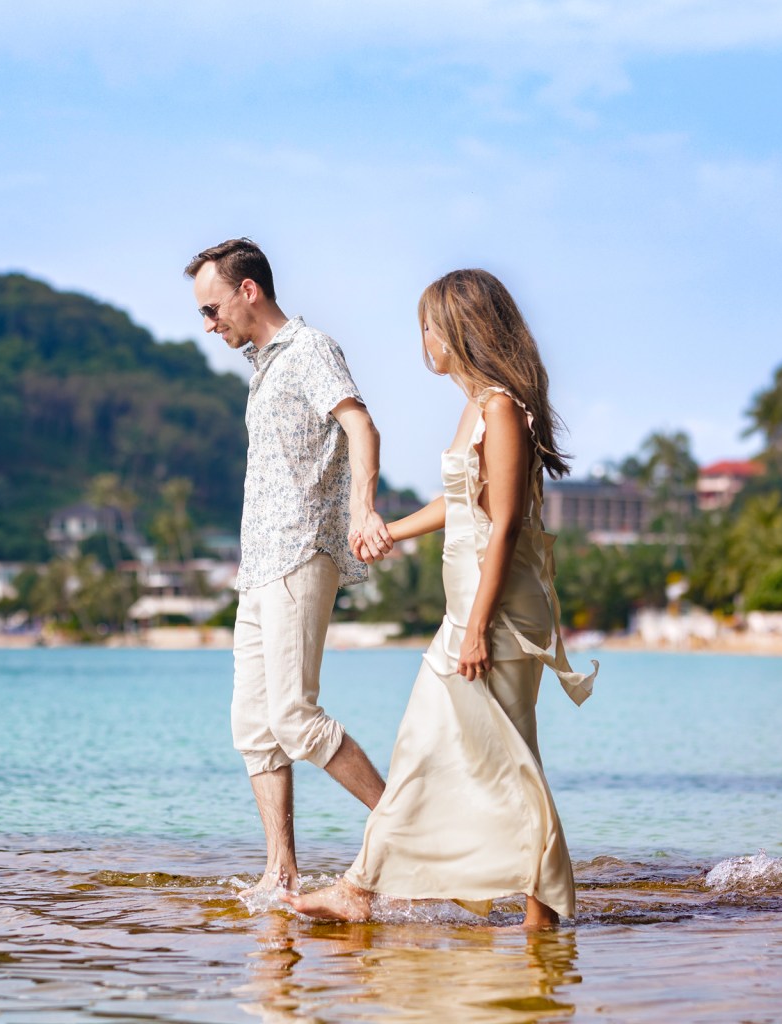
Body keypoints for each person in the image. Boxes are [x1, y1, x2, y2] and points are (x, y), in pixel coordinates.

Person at [289, 268, 598, 929]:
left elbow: (507, 522)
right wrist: (390, 532)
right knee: (464, 751)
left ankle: (370, 889)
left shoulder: (500, 409)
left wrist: (479, 627)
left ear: (457, 331)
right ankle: (535, 911)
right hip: (470, 608)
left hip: (497, 611)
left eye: (426, 324)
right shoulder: (478, 405)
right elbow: (460, 503)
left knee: (484, 753)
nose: (421, 338)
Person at [185, 238, 394, 899]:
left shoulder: (309, 349)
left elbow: (361, 426)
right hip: (260, 564)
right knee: (254, 725)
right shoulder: (263, 367)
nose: (208, 324)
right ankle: (281, 873)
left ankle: (409, 830)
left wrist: (363, 509)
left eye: (212, 308)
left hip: (302, 551)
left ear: (249, 291)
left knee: (294, 717)